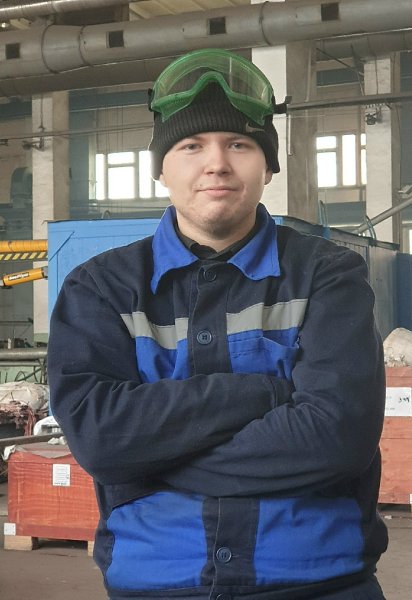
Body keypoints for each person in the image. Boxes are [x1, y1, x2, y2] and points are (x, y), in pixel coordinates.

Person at [47, 48, 388, 600]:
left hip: (320, 581)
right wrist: (266, 394)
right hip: (155, 582)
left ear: (268, 166)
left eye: (239, 144)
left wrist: (151, 464)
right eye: (191, 146)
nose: (217, 164)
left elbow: (336, 436)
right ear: (161, 169)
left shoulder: (328, 274)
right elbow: (100, 439)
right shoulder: (100, 287)